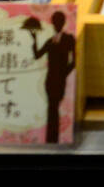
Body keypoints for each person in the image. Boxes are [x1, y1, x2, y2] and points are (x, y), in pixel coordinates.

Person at [29, 11, 75, 143]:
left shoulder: (69, 39)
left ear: (63, 23)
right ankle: (51, 139)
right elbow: (37, 55)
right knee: (51, 108)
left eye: (58, 22)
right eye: (55, 22)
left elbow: (73, 61)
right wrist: (34, 39)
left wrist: (63, 74)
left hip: (59, 80)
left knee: (54, 108)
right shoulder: (50, 41)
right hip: (49, 80)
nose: (56, 25)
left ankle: (53, 138)